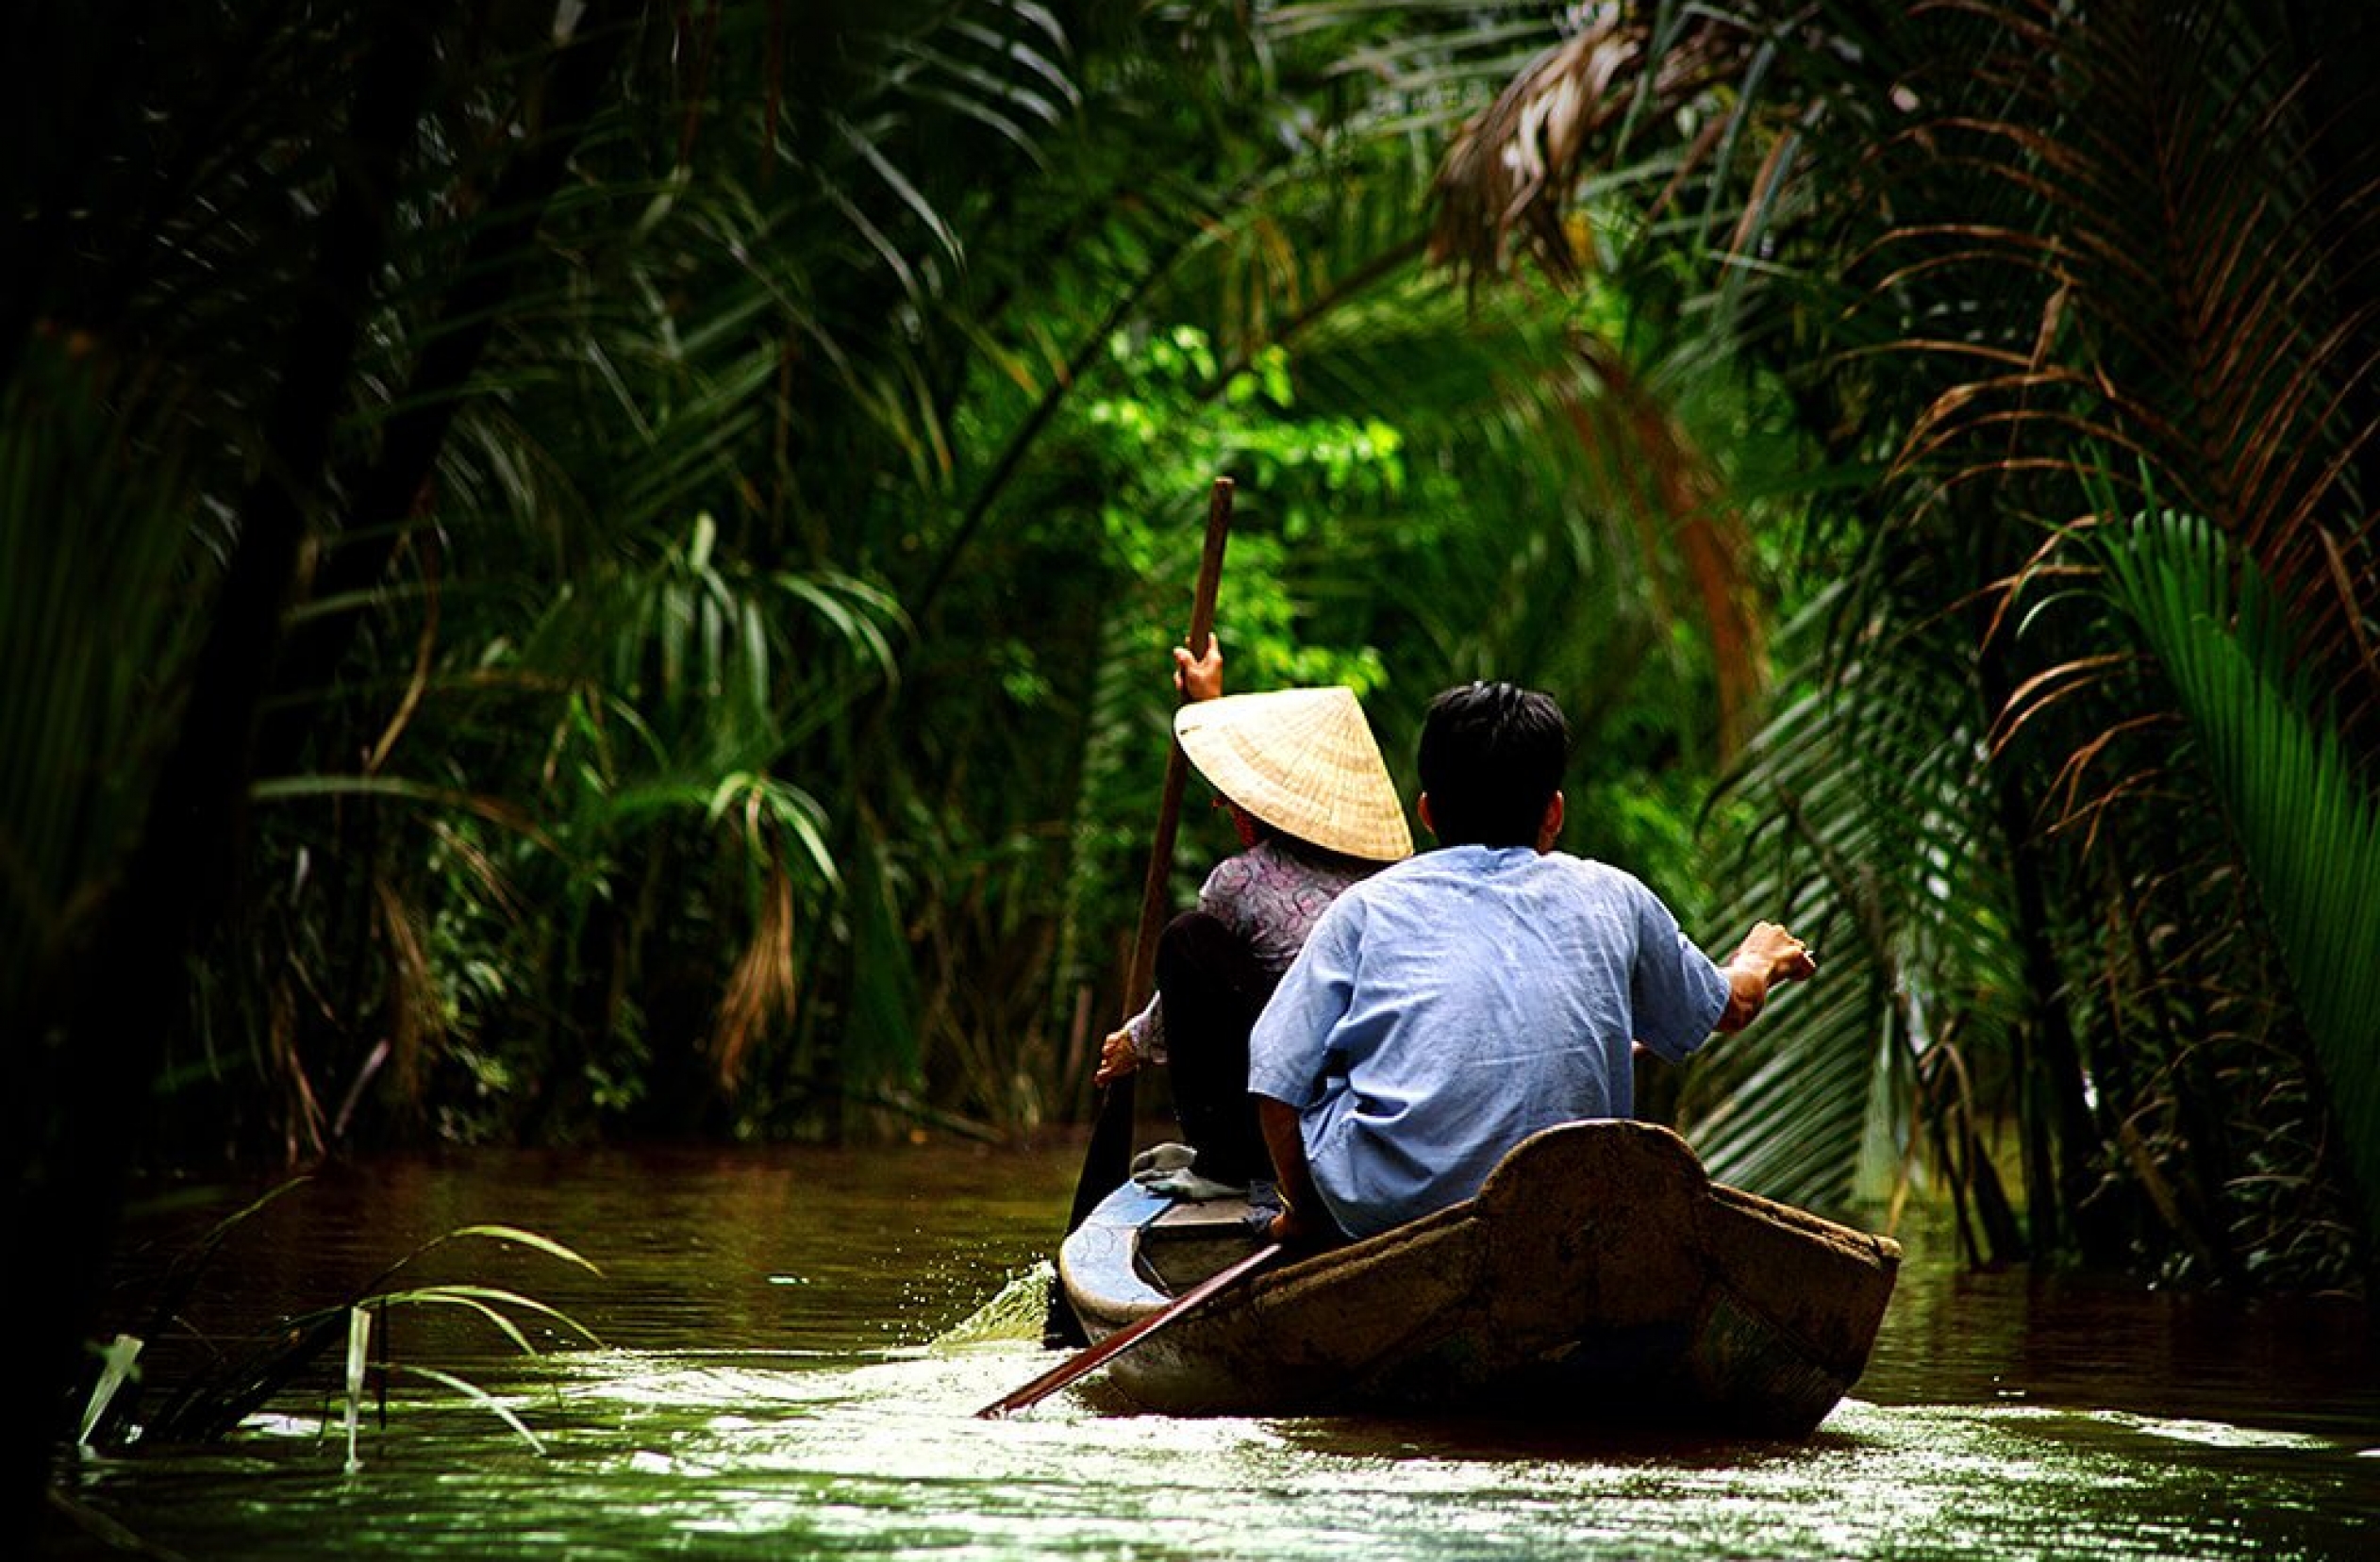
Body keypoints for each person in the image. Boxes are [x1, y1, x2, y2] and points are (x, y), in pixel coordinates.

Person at [1247, 679, 1816, 1243]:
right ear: (1554, 814)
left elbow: (1275, 1070)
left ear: (1426, 812)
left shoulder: (1365, 908)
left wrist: (1306, 1215)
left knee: (1325, 1063)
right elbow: (1732, 1005)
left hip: (1391, 1214)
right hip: (1569, 1205)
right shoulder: (1613, 895)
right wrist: (1759, 959)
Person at [1093, 637, 1411, 1198]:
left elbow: (1180, 1004)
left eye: (1234, 800)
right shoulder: (1394, 879)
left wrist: (1133, 1045)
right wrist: (1207, 702)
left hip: (1296, 1108)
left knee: (1187, 941)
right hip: (1385, 1104)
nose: (1223, 804)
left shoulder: (1239, 880)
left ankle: (1223, 1164)